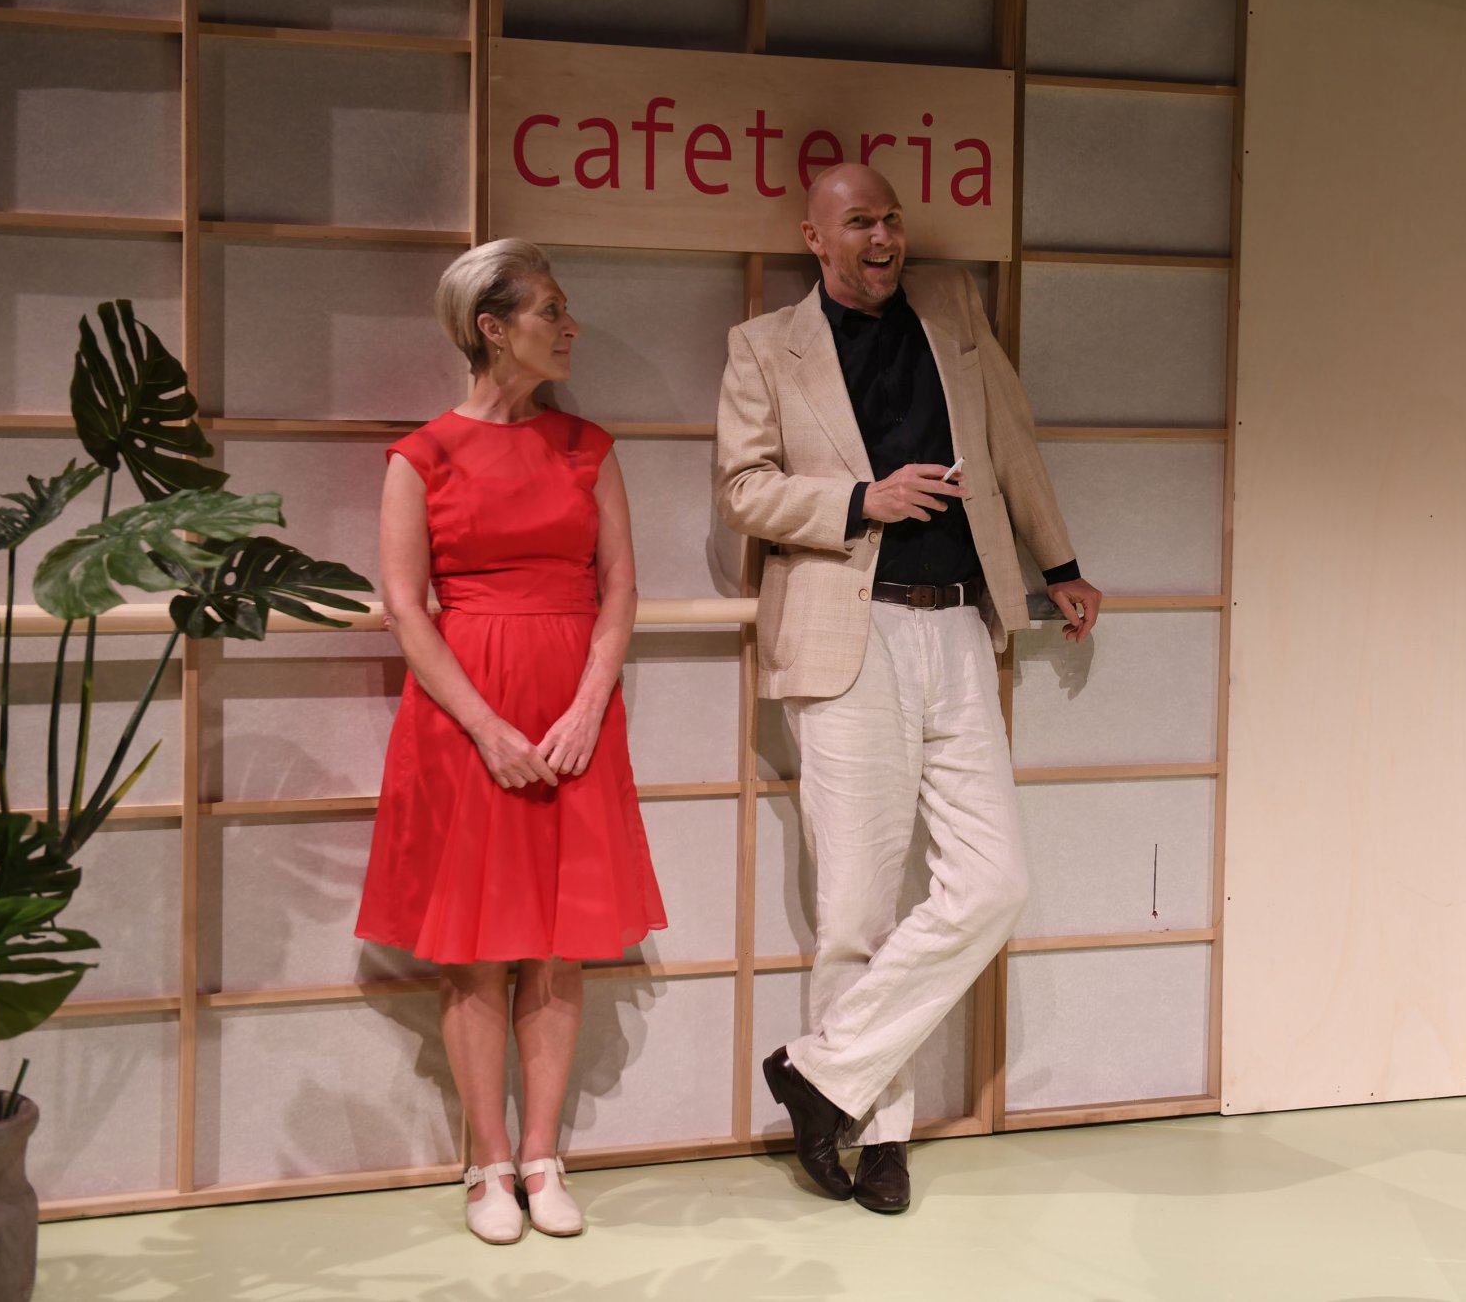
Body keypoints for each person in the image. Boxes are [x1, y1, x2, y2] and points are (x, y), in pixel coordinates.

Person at [713, 163, 1103, 1214]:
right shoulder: (764, 346)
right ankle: (876, 1132)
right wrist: (861, 499)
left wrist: (1059, 563)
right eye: (860, 223)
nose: (883, 238)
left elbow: (1009, 437)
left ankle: (818, 1075)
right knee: (854, 904)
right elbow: (743, 488)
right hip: (852, 632)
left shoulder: (950, 307)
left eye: (891, 218)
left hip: (961, 624)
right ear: (815, 236)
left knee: (994, 882)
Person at [357, 238, 667, 1244]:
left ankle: (543, 1157)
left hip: (575, 713)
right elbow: (407, 608)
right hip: (465, 719)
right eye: (550, 311)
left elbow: (620, 586)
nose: (570, 327)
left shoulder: (588, 446)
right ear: (492, 329)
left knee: (559, 946)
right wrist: (488, 728)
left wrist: (586, 707)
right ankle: (486, 1162)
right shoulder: (423, 456)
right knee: (475, 952)